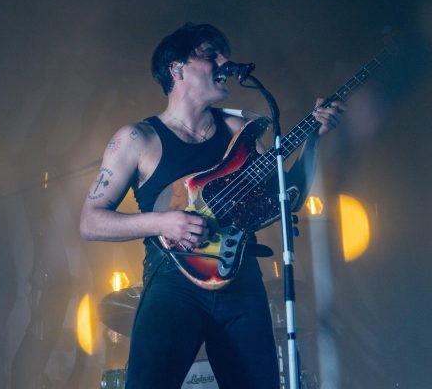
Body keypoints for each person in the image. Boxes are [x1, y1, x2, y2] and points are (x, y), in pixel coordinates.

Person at [80, 23, 341, 388]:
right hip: (173, 281)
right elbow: (90, 222)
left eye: (224, 53)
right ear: (177, 69)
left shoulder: (239, 131)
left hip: (241, 279)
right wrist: (162, 223)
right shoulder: (138, 138)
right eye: (210, 54)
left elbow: (285, 197)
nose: (224, 61)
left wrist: (313, 139)